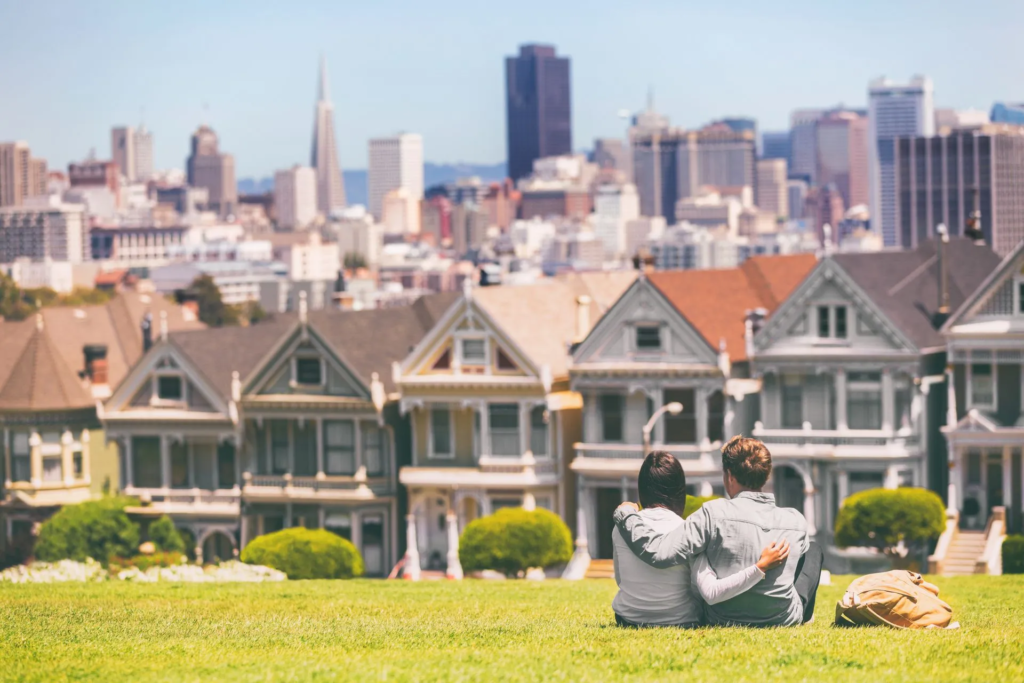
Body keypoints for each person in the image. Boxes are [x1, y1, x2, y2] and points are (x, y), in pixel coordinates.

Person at [615, 437, 824, 627]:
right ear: (765, 476)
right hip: (782, 617)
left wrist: (626, 514)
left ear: (730, 476)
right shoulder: (795, 520)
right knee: (813, 550)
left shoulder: (712, 513)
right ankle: (805, 616)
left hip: (722, 617)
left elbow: (658, 552)